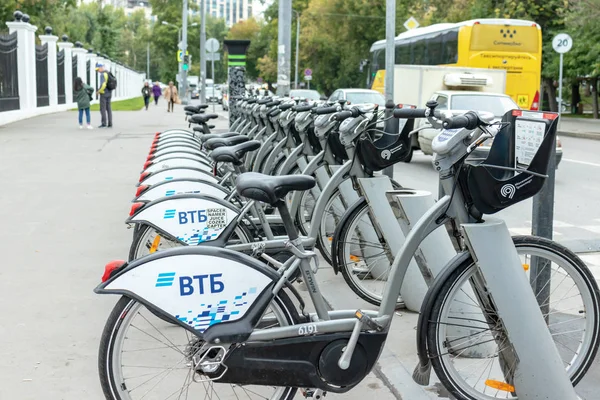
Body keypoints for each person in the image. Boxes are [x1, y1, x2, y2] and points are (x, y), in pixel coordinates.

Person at [96, 62, 113, 128]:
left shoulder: (102, 74)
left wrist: (99, 91)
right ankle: (110, 123)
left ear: (101, 67)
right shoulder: (108, 73)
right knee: (109, 108)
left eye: (98, 69)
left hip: (104, 93)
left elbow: (103, 85)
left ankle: (104, 123)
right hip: (109, 93)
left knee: (102, 108)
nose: (98, 71)